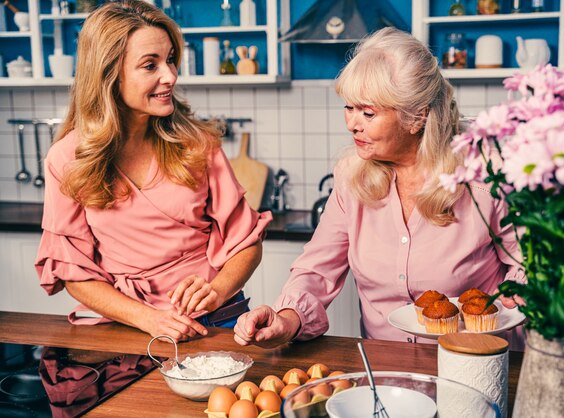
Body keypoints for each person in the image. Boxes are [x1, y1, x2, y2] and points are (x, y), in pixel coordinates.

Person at [233, 27, 525, 349]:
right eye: (349, 108)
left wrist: (517, 292)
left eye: (368, 113)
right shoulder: (351, 177)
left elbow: (530, 263)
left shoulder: (483, 173)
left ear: (417, 117)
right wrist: (287, 317)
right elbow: (317, 268)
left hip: (472, 360)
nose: (351, 124)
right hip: (385, 370)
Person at [35, 0, 271, 342]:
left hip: (216, 322)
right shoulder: (67, 158)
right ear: (109, 74)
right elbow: (74, 272)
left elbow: (247, 243)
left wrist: (217, 290)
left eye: (171, 59)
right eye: (150, 65)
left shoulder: (198, 144)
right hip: (129, 327)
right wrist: (150, 320)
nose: (171, 76)